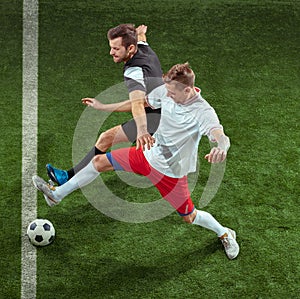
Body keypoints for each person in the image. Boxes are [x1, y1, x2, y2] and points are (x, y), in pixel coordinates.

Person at [33, 63, 240, 260]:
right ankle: (56, 195)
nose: (167, 95)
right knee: (99, 161)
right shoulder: (166, 90)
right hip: (147, 154)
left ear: (187, 90)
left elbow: (219, 135)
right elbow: (139, 104)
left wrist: (221, 147)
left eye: (172, 93)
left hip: (171, 174)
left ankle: (224, 234)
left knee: (189, 217)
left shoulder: (203, 112)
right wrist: (104, 107)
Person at [46, 24, 163, 185]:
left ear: (129, 48)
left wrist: (142, 131)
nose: (111, 52)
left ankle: (68, 179)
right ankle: (68, 177)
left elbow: (136, 104)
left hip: (154, 118)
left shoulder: (134, 71)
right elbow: (141, 38)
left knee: (144, 163)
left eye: (116, 49)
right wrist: (139, 33)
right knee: (106, 138)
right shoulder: (143, 48)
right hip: (160, 111)